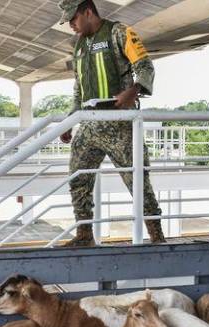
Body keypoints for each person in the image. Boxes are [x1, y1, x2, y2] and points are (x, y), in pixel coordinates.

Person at [58, 0, 165, 247]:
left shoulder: (119, 32)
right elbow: (79, 88)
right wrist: (70, 120)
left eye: (73, 19)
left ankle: (157, 236)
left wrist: (135, 90)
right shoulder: (79, 45)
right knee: (78, 177)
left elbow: (145, 66)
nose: (71, 25)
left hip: (120, 125)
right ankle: (84, 235)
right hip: (90, 124)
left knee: (138, 182)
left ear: (87, 11)